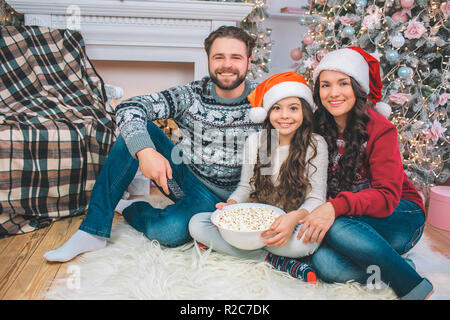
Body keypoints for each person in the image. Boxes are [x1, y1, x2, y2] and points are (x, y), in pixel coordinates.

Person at [43, 26, 262, 263]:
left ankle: (128, 208)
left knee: (170, 232)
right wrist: (146, 151)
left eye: (236, 57)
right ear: (208, 59)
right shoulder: (191, 94)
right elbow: (129, 106)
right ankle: (92, 230)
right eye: (219, 57)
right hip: (190, 179)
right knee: (138, 131)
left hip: (241, 195)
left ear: (248, 62)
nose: (227, 64)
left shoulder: (264, 99)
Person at [292, 46, 445, 300]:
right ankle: (393, 265)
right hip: (354, 221)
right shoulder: (315, 126)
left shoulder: (380, 129)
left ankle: (415, 288)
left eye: (343, 83)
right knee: (324, 263)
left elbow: (386, 197)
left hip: (400, 214)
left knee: (336, 227)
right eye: (325, 85)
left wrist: (333, 208)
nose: (334, 93)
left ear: (358, 88)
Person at [189, 72, 329, 283]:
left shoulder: (315, 145)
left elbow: (317, 199)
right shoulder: (256, 141)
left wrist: (293, 218)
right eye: (276, 108)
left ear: (305, 112)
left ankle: (237, 249)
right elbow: (246, 187)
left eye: (293, 108)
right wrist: (232, 205)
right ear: (267, 112)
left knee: (306, 244)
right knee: (197, 224)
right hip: (256, 221)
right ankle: (275, 260)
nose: (284, 116)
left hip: (290, 224)